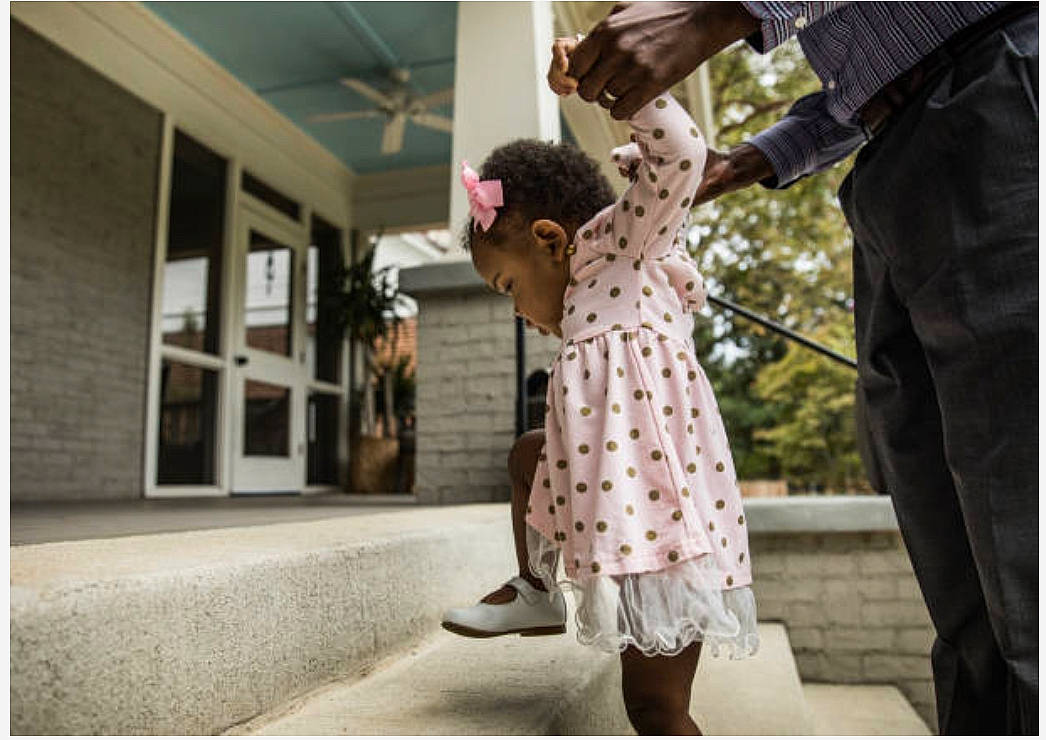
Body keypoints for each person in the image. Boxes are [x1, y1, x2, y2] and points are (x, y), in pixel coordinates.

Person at [564, 2, 1038, 735]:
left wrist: (716, 13)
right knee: (966, 589)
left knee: (1025, 546)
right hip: (891, 155)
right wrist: (755, 158)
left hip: (998, 91)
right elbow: (859, 77)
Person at [439, 36, 758, 735]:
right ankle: (540, 589)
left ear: (551, 241)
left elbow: (679, 155)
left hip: (666, 528)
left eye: (508, 288)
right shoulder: (582, 298)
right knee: (528, 455)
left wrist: (607, 81)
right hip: (614, 491)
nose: (518, 309)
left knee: (654, 706)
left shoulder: (627, 243)